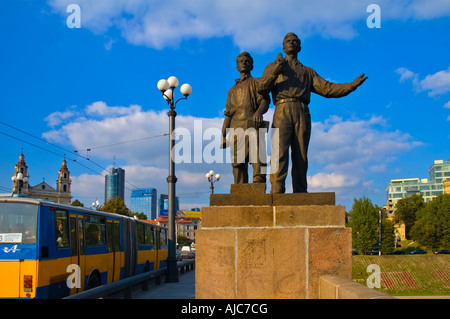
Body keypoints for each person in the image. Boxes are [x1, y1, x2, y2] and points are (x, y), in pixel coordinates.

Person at [258, 32, 367, 194]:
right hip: (282, 109)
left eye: (295, 41)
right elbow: (261, 88)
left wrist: (351, 86)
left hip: (302, 111)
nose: (291, 43)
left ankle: (301, 191)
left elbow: (328, 89)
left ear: (300, 47)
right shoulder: (273, 66)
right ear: (283, 46)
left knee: (301, 154)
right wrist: (276, 71)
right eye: (288, 41)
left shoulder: (307, 72)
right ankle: (277, 188)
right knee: (279, 151)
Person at [221, 52, 271, 184]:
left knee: (257, 158)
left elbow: (265, 101)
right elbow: (228, 115)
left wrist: (258, 113)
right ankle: (239, 190)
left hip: (252, 125)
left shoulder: (256, 83)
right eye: (241, 61)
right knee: (238, 164)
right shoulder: (232, 91)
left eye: (247, 61)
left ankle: (258, 185)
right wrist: (223, 135)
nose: (244, 63)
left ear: (252, 66)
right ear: (237, 66)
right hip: (235, 128)